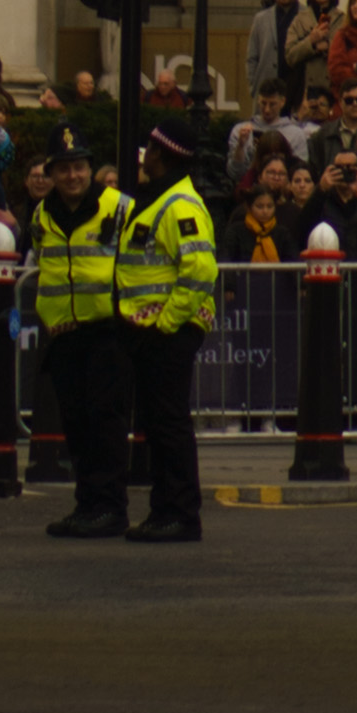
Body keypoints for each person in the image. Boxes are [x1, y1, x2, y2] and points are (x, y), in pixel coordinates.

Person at [118, 134, 214, 545]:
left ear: (161, 154)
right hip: (153, 331)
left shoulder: (180, 206)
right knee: (159, 424)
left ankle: (179, 513)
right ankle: (166, 509)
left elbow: (200, 270)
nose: (143, 155)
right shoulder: (161, 199)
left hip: (168, 332)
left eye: (149, 149)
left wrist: (166, 323)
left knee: (169, 425)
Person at [32, 143, 131, 541]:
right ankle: (87, 504)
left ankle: (110, 508)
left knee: (105, 425)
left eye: (79, 167)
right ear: (51, 173)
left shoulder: (120, 207)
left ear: (90, 168)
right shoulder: (42, 213)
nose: (73, 176)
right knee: (77, 426)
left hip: (107, 332)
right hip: (65, 336)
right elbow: (47, 265)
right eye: (64, 169)